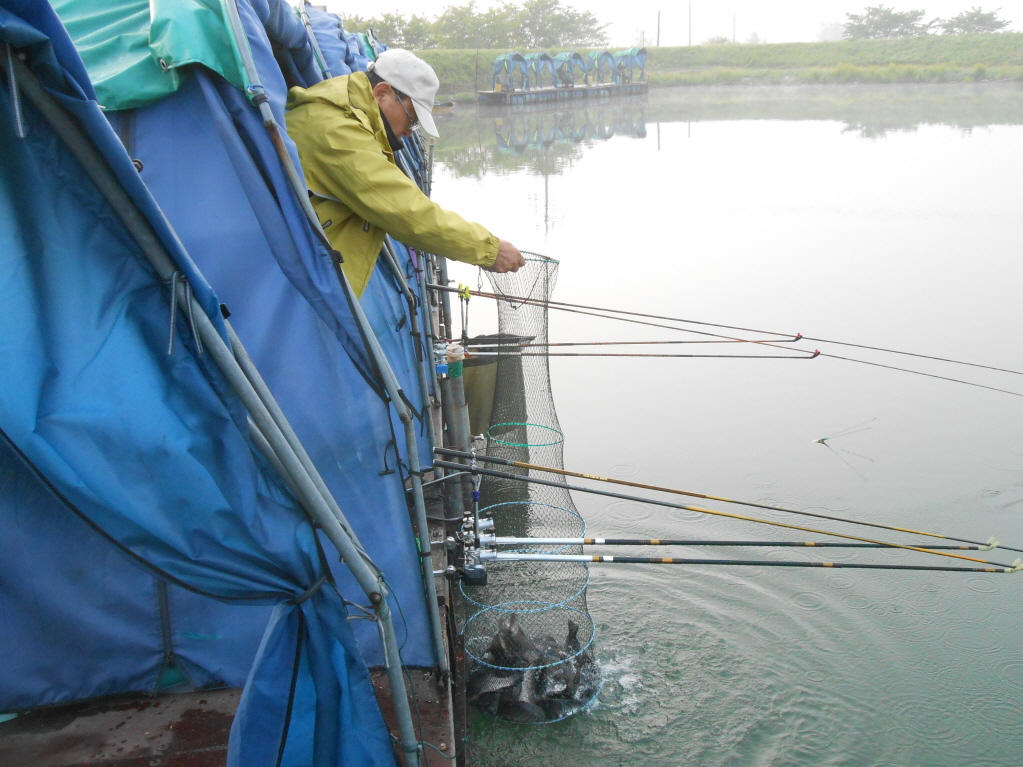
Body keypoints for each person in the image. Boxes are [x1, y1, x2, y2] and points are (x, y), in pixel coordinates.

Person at [286, 49, 526, 296]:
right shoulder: (337, 130)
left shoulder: (345, 112)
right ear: (382, 93)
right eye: (412, 119)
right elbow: (403, 209)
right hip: (301, 282)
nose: (410, 131)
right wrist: (490, 249)